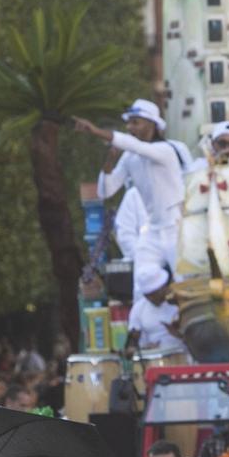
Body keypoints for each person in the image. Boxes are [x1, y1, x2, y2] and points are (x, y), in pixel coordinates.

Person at [77, 100, 192, 275]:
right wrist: (109, 161)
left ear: (151, 123)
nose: (130, 127)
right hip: (152, 231)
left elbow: (137, 146)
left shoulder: (165, 150)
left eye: (135, 122)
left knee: (185, 282)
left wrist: (96, 131)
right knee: (143, 285)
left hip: (176, 229)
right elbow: (105, 191)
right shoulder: (130, 157)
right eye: (128, 123)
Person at [125, 265, 185, 357]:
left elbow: (200, 341)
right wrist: (143, 349)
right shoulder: (139, 308)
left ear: (163, 286)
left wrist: (179, 334)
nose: (150, 298)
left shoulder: (181, 302)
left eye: (153, 294)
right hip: (155, 361)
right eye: (147, 295)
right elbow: (129, 349)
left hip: (183, 357)